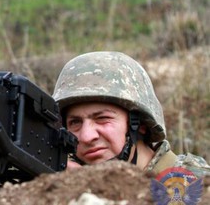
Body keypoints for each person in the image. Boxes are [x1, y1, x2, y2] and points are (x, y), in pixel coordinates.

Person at [52, 51, 209, 178]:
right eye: (75, 123)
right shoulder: (65, 188)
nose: (86, 136)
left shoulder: (195, 187)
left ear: (139, 124)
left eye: (102, 119)